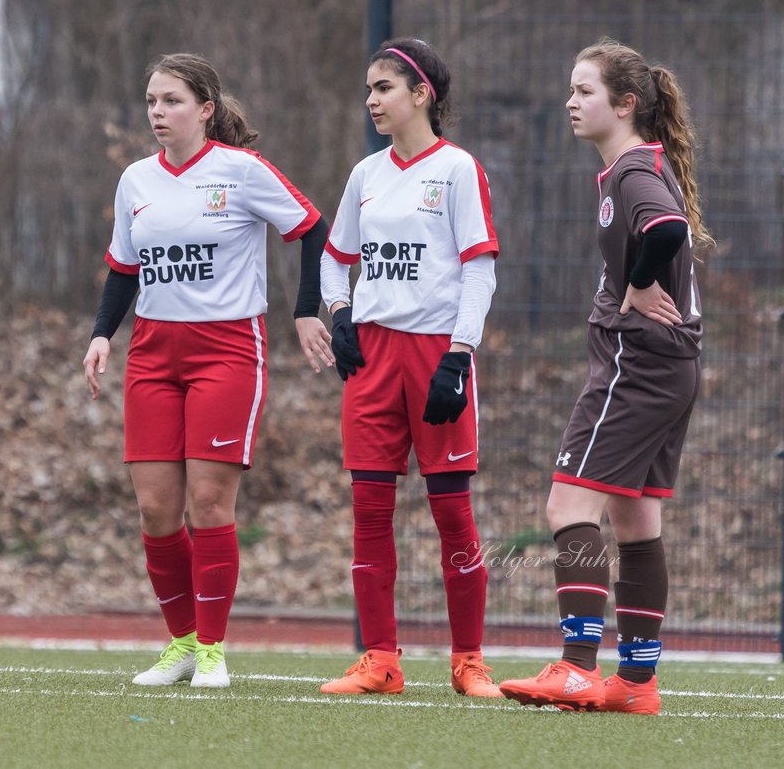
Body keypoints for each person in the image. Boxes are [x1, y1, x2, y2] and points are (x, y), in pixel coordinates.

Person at [82, 53, 331, 689]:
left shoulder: (241, 171)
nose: (157, 113)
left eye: (171, 101)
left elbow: (310, 227)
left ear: (205, 109)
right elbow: (122, 268)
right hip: (152, 354)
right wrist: (101, 335)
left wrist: (308, 312)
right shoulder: (136, 179)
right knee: (155, 509)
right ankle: (183, 644)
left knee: (209, 504)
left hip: (227, 350)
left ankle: (215, 651)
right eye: (151, 102)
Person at [498, 38, 709, 714]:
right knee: (635, 518)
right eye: (569, 88)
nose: (570, 101)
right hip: (670, 368)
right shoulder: (635, 166)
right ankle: (636, 684)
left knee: (568, 508)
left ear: (624, 105)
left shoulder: (632, 174)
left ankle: (577, 667)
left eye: (584, 91)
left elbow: (669, 229)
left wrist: (641, 282)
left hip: (637, 366)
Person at [317, 38, 501, 697]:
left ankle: (468, 662)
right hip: (372, 356)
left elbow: (479, 268)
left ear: (422, 93)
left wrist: (459, 353)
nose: (371, 99)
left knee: (452, 514)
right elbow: (333, 256)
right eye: (368, 88)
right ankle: (381, 661)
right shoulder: (365, 175)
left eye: (384, 87)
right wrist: (339, 312)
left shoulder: (456, 169)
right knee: (369, 512)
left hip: (434, 356)